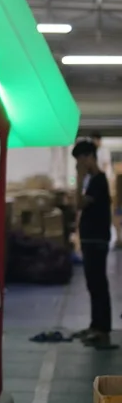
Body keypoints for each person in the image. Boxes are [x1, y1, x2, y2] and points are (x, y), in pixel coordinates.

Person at [73, 139, 113, 347]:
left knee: (98, 283)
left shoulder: (98, 180)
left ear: (89, 157)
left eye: (80, 160)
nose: (78, 165)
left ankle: (102, 329)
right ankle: (95, 324)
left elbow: (79, 204)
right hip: (89, 238)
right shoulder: (93, 180)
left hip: (97, 239)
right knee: (92, 283)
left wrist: (79, 179)